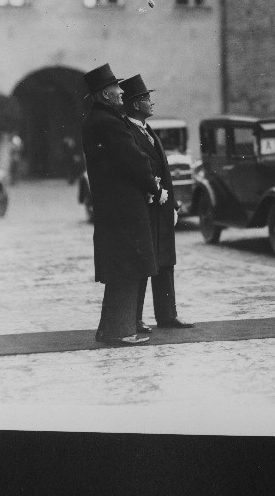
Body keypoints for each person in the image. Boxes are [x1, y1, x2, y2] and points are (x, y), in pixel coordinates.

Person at [81, 63, 165, 345]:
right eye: (116, 88)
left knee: (120, 268)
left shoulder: (97, 119)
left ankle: (110, 328)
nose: (121, 92)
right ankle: (121, 331)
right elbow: (135, 160)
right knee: (128, 268)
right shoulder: (109, 122)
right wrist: (153, 186)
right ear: (105, 94)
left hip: (112, 207)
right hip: (125, 207)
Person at [119, 74, 193, 330]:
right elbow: (134, 168)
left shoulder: (147, 130)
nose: (151, 103)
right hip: (145, 206)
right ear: (135, 104)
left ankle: (167, 314)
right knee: (143, 262)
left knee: (165, 260)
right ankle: (136, 317)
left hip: (161, 207)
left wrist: (172, 204)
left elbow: (165, 169)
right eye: (146, 99)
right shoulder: (127, 131)